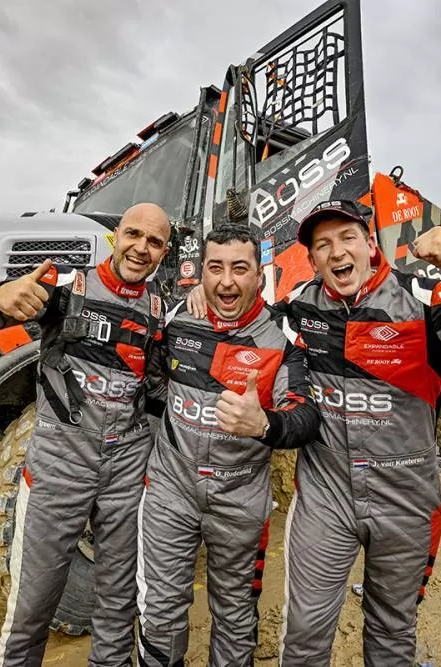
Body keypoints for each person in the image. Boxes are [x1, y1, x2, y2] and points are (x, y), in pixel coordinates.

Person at [190, 201, 441, 665]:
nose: (337, 252)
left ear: (370, 244)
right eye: (323, 244)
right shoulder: (298, 308)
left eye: (347, 238)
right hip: (326, 501)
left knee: (391, 634)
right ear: (313, 259)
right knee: (303, 634)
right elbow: (241, 317)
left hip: (406, 502)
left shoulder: (423, 301)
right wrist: (203, 292)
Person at [0, 203, 171, 667]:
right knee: (32, 607)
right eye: (133, 234)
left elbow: (164, 395)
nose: (141, 248)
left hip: (127, 474)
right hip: (59, 467)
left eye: (155, 242)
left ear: (164, 252)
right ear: (117, 237)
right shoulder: (66, 287)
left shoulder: (161, 313)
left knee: (118, 606)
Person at [136, 224, 320, 666]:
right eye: (215, 268)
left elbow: (306, 416)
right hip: (171, 491)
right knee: (159, 614)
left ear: (259, 274)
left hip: (240, 500)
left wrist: (265, 424)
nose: (226, 281)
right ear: (201, 272)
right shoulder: (178, 318)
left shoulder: (281, 336)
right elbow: (150, 380)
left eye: (239, 268)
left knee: (236, 618)